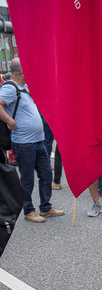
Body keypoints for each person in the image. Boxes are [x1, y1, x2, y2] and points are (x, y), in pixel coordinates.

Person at [0, 58, 64, 223]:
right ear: (22, 72)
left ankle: (45, 207)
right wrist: (9, 120)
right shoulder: (10, 88)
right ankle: (28, 210)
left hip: (38, 141)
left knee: (46, 174)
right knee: (27, 180)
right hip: (23, 143)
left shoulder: (24, 88)